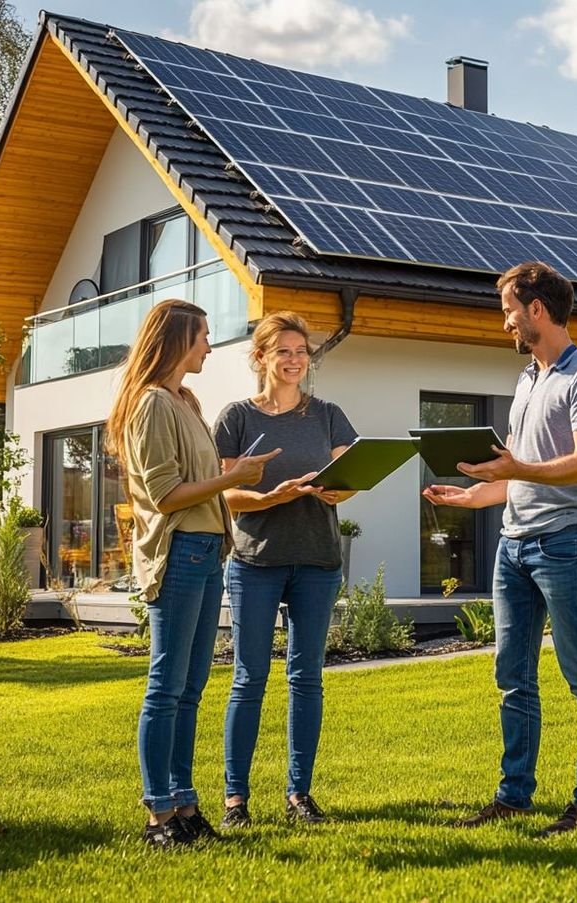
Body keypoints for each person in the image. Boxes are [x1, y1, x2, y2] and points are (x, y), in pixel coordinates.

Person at [424, 261, 577, 838]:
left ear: (537, 309)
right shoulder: (527, 380)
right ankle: (514, 796)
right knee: (513, 675)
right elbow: (517, 474)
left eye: (510, 310)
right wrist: (471, 497)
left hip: (565, 542)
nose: (505, 322)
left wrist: (517, 468)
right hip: (513, 545)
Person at [105, 299, 279, 849]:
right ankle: (158, 814)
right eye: (203, 335)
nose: (209, 344)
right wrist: (236, 478)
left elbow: (196, 484)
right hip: (179, 552)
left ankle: (183, 805)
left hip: (206, 551)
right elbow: (164, 494)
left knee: (189, 690)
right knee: (166, 686)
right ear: (178, 338)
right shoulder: (153, 404)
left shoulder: (185, 400)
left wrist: (236, 478)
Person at [213, 310, 359, 828]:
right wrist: (268, 497)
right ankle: (236, 800)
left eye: (302, 352)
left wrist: (337, 487)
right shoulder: (237, 418)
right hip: (255, 562)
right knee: (249, 679)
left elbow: (349, 478)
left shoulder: (328, 415)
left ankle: (299, 795)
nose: (296, 360)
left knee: (306, 678)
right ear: (261, 358)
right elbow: (224, 495)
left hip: (318, 560)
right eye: (284, 352)